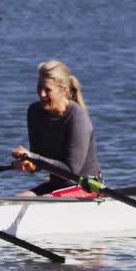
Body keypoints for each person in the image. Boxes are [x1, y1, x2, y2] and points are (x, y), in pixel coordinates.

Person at [10, 59, 102, 197]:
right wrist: (29, 163)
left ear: (63, 91)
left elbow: (70, 171)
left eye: (47, 90)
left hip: (88, 187)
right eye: (39, 87)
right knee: (15, 201)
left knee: (39, 204)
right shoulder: (34, 112)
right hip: (57, 186)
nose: (42, 94)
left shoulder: (77, 117)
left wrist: (33, 157)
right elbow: (39, 157)